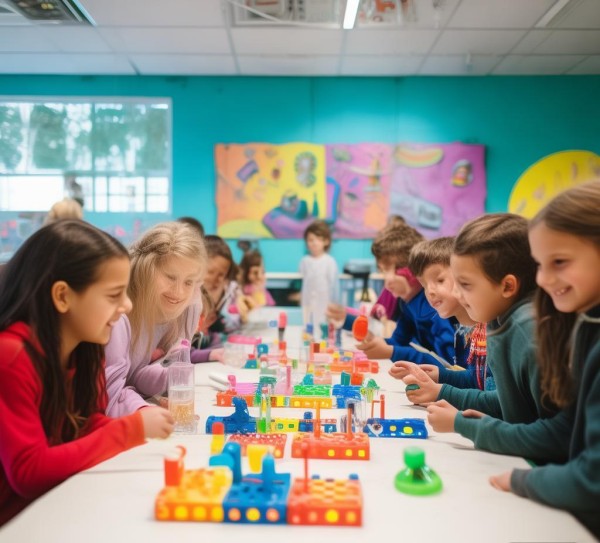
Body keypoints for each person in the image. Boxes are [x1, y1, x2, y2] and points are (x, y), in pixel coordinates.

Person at [0, 220, 174, 526]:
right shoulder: (11, 357)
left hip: (56, 508)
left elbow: (83, 423)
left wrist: (132, 425)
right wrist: (129, 430)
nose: (127, 305)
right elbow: (29, 472)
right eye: (113, 295)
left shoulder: (83, 349)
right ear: (63, 296)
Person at [486, 181, 600, 538]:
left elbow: (591, 479)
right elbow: (571, 427)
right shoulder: (586, 322)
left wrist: (522, 480)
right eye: (540, 264)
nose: (545, 279)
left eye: (560, 262)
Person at [425, 214, 558, 436]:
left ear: (508, 286)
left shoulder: (528, 332)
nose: (457, 294)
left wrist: (465, 425)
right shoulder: (499, 320)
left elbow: (557, 436)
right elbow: (510, 407)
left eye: (465, 285)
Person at [104, 222, 205, 416]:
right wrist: (145, 409)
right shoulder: (120, 316)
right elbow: (109, 396)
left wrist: (164, 386)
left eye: (189, 282)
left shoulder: (190, 306)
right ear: (146, 270)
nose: (179, 292)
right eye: (170, 277)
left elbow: (142, 376)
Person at [389, 236, 491, 393]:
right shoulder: (463, 329)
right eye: (424, 285)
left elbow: (491, 394)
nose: (429, 291)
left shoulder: (488, 331)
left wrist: (441, 392)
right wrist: (439, 375)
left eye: (440, 280)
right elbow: (475, 380)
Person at [353, 224, 456, 367]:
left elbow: (447, 364)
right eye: (383, 271)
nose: (388, 280)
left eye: (395, 269)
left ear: (413, 268)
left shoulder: (435, 305)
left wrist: (391, 352)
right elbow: (398, 341)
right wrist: (377, 342)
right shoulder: (407, 304)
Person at [190, 235, 246, 363]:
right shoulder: (187, 302)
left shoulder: (218, 298)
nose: (216, 279)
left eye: (222, 275)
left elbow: (214, 335)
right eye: (211, 272)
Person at [299, 220, 339, 330]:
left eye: (318, 239)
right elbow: (303, 281)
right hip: (308, 301)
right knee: (307, 323)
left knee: (323, 326)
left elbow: (333, 286)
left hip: (324, 302)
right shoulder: (305, 261)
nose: (314, 243)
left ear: (326, 241)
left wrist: (334, 305)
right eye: (310, 240)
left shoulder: (330, 261)